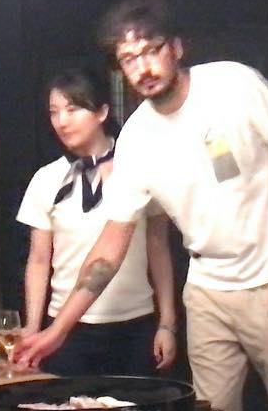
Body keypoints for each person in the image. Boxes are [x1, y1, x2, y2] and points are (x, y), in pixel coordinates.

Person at [16, 2, 268, 411]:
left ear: (176, 48)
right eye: (129, 59)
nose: (142, 67)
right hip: (206, 289)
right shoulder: (136, 138)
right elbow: (110, 247)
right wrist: (58, 330)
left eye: (151, 50)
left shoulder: (234, 84)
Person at [16, 67, 177, 377]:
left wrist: (167, 323)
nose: (62, 121)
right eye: (54, 112)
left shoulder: (137, 170)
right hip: (66, 329)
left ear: (102, 112)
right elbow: (38, 259)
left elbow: (158, 246)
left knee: (135, 408)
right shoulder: (47, 178)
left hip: (134, 325)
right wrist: (33, 327)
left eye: (72, 109)